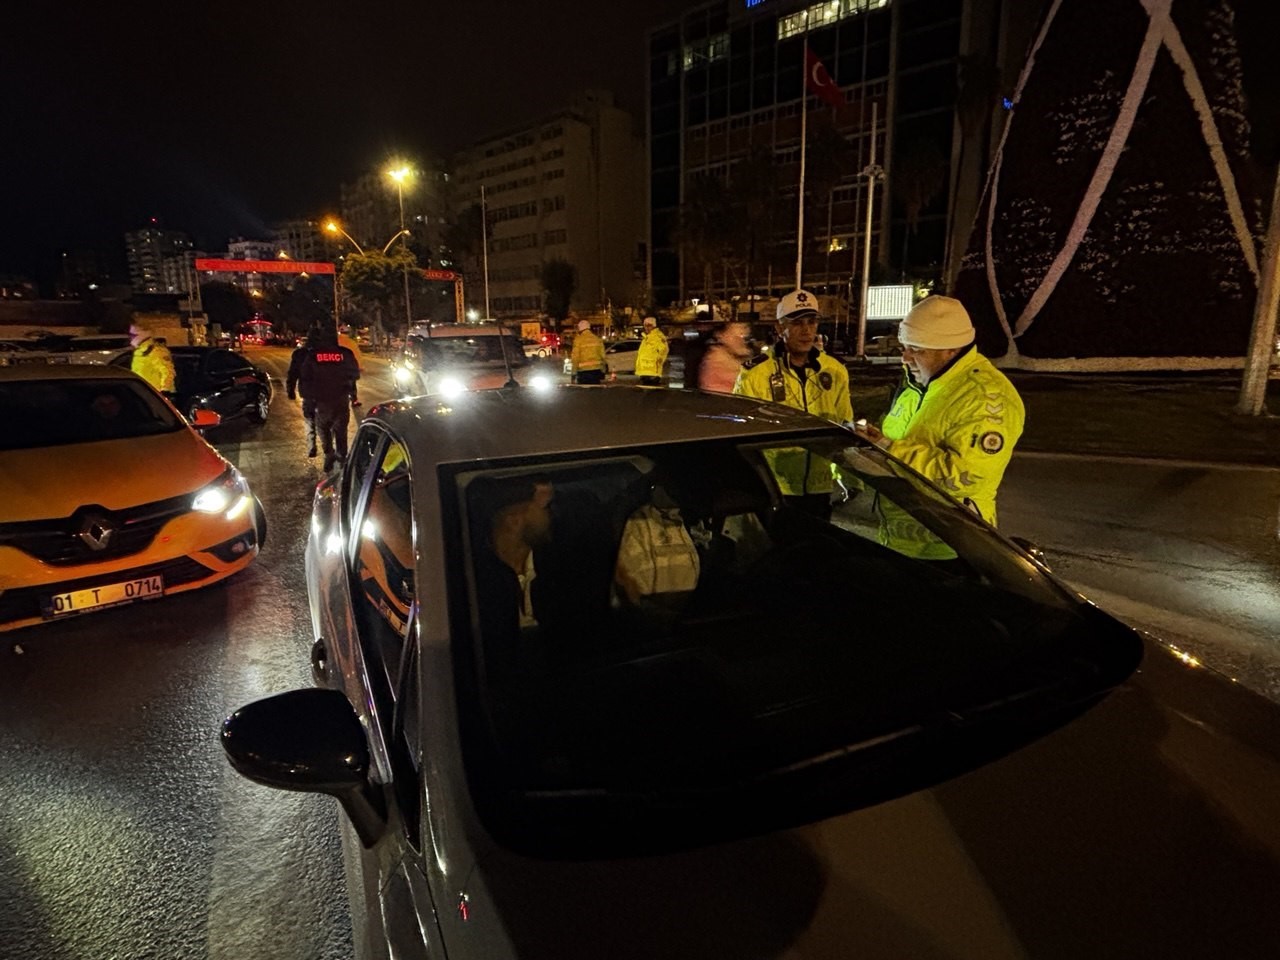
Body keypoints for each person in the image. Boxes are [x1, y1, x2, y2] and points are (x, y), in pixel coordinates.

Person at [858, 295, 1026, 559]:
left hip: (949, 550)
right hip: (901, 541)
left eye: (916, 349)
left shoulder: (986, 398)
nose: (905, 358)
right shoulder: (921, 383)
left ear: (951, 349)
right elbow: (901, 439)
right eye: (905, 346)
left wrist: (888, 449)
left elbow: (960, 478)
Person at [734, 289, 853, 516]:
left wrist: (846, 478)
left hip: (820, 486)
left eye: (812, 321)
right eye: (797, 323)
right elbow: (743, 435)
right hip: (775, 488)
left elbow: (844, 427)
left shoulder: (835, 370)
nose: (807, 330)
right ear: (780, 328)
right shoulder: (756, 373)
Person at [298, 327, 360, 472]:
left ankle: (329, 454)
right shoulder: (345, 354)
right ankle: (342, 456)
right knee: (340, 430)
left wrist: (309, 398)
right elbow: (355, 374)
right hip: (341, 399)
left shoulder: (313, 356)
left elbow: (305, 380)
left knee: (323, 428)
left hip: (322, 401)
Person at [286, 326, 321, 458]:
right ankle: (329, 448)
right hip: (325, 392)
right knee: (325, 421)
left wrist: (290, 390)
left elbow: (292, 373)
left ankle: (311, 446)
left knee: (309, 419)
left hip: (308, 393)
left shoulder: (300, 354)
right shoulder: (323, 352)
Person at [699, 320, 753, 394]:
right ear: (721, 335)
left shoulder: (746, 358)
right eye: (736, 338)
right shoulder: (716, 360)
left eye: (743, 338)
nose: (742, 341)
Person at [129, 323, 175, 394]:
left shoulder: (157, 351)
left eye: (132, 336)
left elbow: (168, 372)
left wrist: (165, 391)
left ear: (140, 335)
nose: (131, 339)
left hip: (157, 396)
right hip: (145, 394)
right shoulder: (139, 353)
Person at [634, 316, 669, 386]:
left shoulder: (658, 337)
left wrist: (657, 362)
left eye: (649, 325)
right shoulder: (646, 338)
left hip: (653, 373)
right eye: (645, 325)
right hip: (644, 373)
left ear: (654, 326)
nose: (647, 327)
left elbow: (664, 351)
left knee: (652, 395)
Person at [570, 319, 606, 384]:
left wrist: (573, 373)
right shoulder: (597, 339)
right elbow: (603, 356)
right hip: (596, 371)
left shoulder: (578, 340)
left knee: (584, 392)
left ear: (580, 329)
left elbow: (575, 358)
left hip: (583, 373)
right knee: (595, 392)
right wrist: (603, 371)